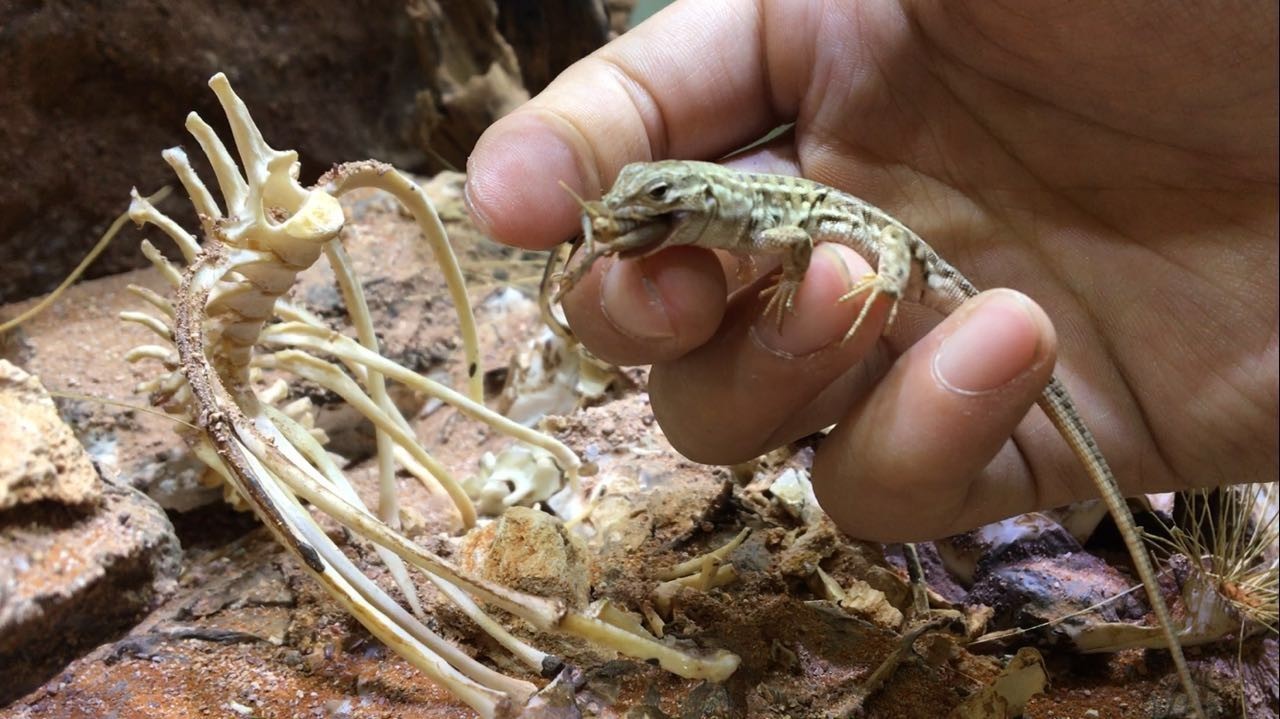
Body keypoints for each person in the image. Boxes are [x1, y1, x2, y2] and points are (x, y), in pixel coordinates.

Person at [464, 0, 1278, 542]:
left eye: (666, 196)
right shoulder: (710, 209)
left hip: (904, 254)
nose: (646, 211)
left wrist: (869, 281)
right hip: (902, 251)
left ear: (696, 193)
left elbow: (799, 240)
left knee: (853, 280)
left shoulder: (750, 208)